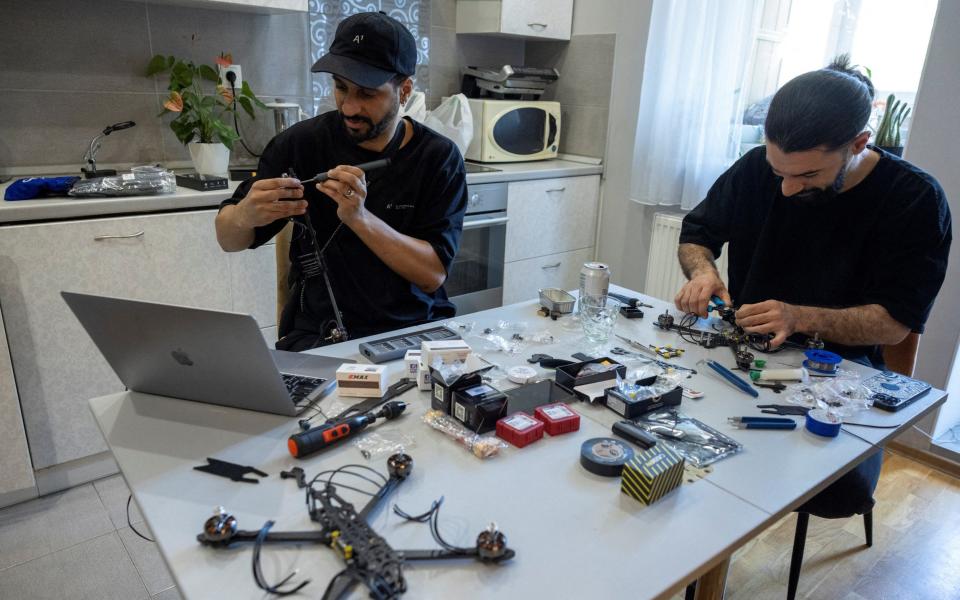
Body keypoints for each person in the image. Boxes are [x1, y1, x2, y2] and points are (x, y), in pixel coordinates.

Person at [674, 56, 951, 517]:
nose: (785, 188)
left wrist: (799, 316)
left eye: (806, 176)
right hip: (743, 352)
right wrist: (702, 272)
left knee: (833, 495)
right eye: (777, 171)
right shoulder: (754, 170)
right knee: (680, 444)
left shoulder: (915, 200)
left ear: (859, 144)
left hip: (842, 376)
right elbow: (696, 234)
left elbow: (894, 325)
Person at [216, 11, 467, 352]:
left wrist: (360, 218)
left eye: (366, 93)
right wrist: (244, 214)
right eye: (340, 87)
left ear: (404, 90)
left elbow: (432, 274)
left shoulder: (438, 158)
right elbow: (229, 239)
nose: (349, 107)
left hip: (413, 332)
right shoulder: (299, 145)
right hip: (320, 333)